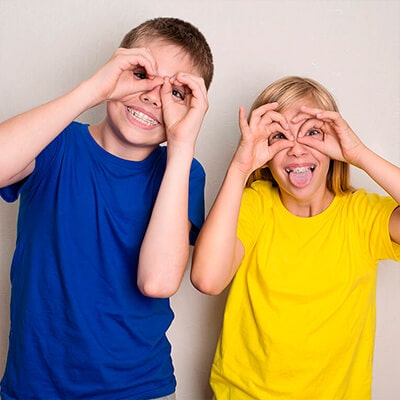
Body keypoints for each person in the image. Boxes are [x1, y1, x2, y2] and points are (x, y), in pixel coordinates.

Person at [0, 17, 213, 400]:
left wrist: (183, 145)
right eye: (142, 74)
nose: (153, 96)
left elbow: (158, 281)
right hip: (34, 389)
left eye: (176, 93)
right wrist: (91, 91)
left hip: (139, 388)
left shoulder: (182, 171)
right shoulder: (55, 143)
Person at [191, 76, 400, 399]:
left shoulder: (362, 215)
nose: (296, 149)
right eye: (279, 136)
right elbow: (207, 279)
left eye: (312, 133)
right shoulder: (254, 204)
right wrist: (240, 167)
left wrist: (358, 154)